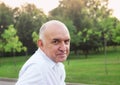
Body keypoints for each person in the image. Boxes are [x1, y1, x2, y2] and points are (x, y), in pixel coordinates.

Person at [16, 20, 71, 85]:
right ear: (41, 44)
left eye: (66, 41)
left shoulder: (56, 65)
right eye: (56, 42)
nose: (63, 48)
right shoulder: (37, 68)